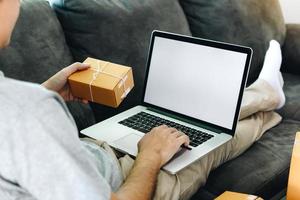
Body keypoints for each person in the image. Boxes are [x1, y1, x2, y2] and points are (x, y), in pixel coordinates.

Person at [0, 0, 285, 199]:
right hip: (124, 181)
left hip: (88, 154)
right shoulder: (29, 109)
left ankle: (268, 93)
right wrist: (150, 155)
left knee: (201, 118)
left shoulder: (26, 106)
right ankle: (269, 96)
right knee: (215, 138)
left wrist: (47, 92)